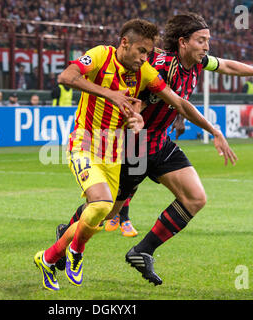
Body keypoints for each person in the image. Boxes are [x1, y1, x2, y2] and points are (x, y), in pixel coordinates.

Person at [56, 12, 253, 285]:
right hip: (134, 146)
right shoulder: (159, 63)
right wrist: (210, 129)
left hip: (160, 142)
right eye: (201, 41)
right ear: (182, 42)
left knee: (195, 198)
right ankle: (65, 237)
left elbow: (226, 65)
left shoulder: (198, 62)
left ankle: (142, 251)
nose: (206, 47)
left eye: (207, 41)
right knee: (104, 212)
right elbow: (159, 98)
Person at [34, 18, 237, 291]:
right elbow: (66, 77)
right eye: (142, 52)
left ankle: (55, 252)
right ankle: (74, 249)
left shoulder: (146, 73)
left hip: (121, 149)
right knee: (103, 208)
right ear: (125, 43)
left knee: (104, 210)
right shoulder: (100, 55)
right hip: (90, 143)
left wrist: (213, 129)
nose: (145, 58)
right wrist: (111, 95)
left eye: (148, 53)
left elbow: (177, 101)